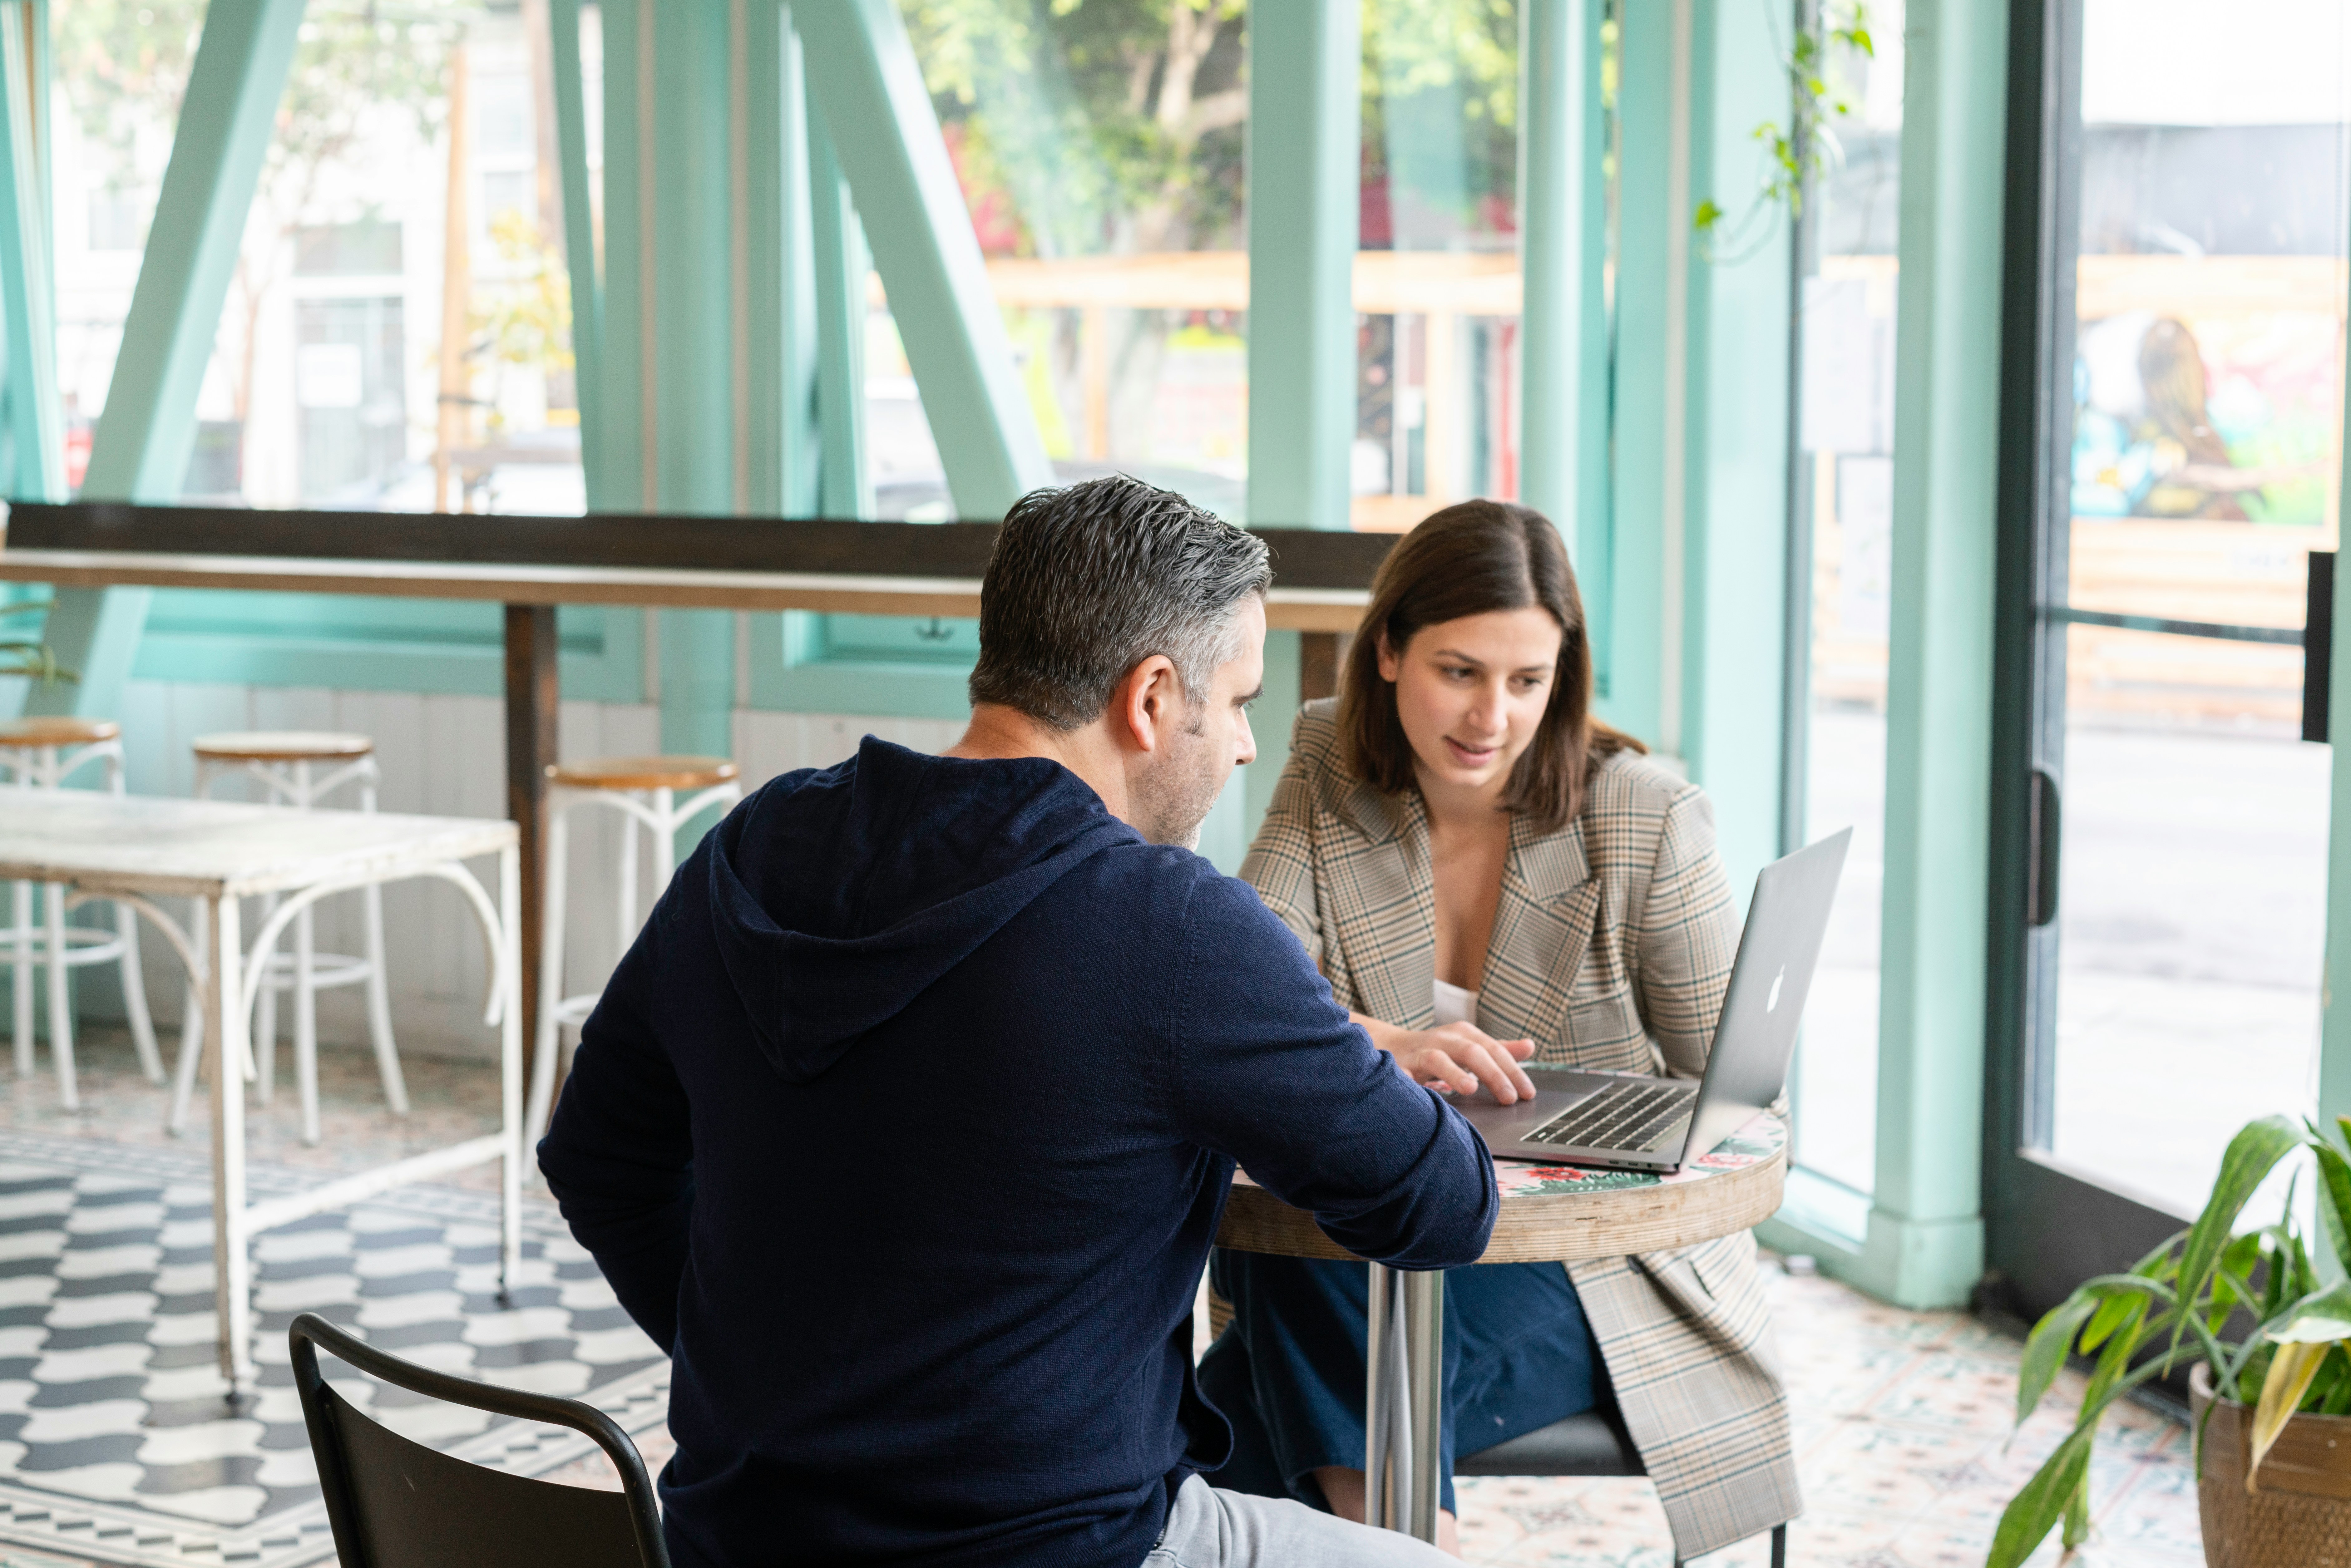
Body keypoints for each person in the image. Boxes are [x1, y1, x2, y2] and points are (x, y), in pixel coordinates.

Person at [537, 476, 1498, 1568]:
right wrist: (1333, 1040)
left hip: (739, 1540)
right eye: (1236, 701)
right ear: (1148, 699)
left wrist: (780, 1391)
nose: (1241, 746)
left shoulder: (749, 849)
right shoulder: (1172, 927)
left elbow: (596, 1157)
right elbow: (1439, 1206)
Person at [1200, 500, 1800, 1562]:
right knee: (1315, 1275)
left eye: (1529, 682)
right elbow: (1247, 993)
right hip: (1379, 1235)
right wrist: (1377, 1041)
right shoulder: (1327, 760)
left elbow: (1742, 1098)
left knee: (1216, 1409)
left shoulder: (1643, 815)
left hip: (1592, 1268)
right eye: (1461, 671)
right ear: (1387, 651)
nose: (1493, 717)